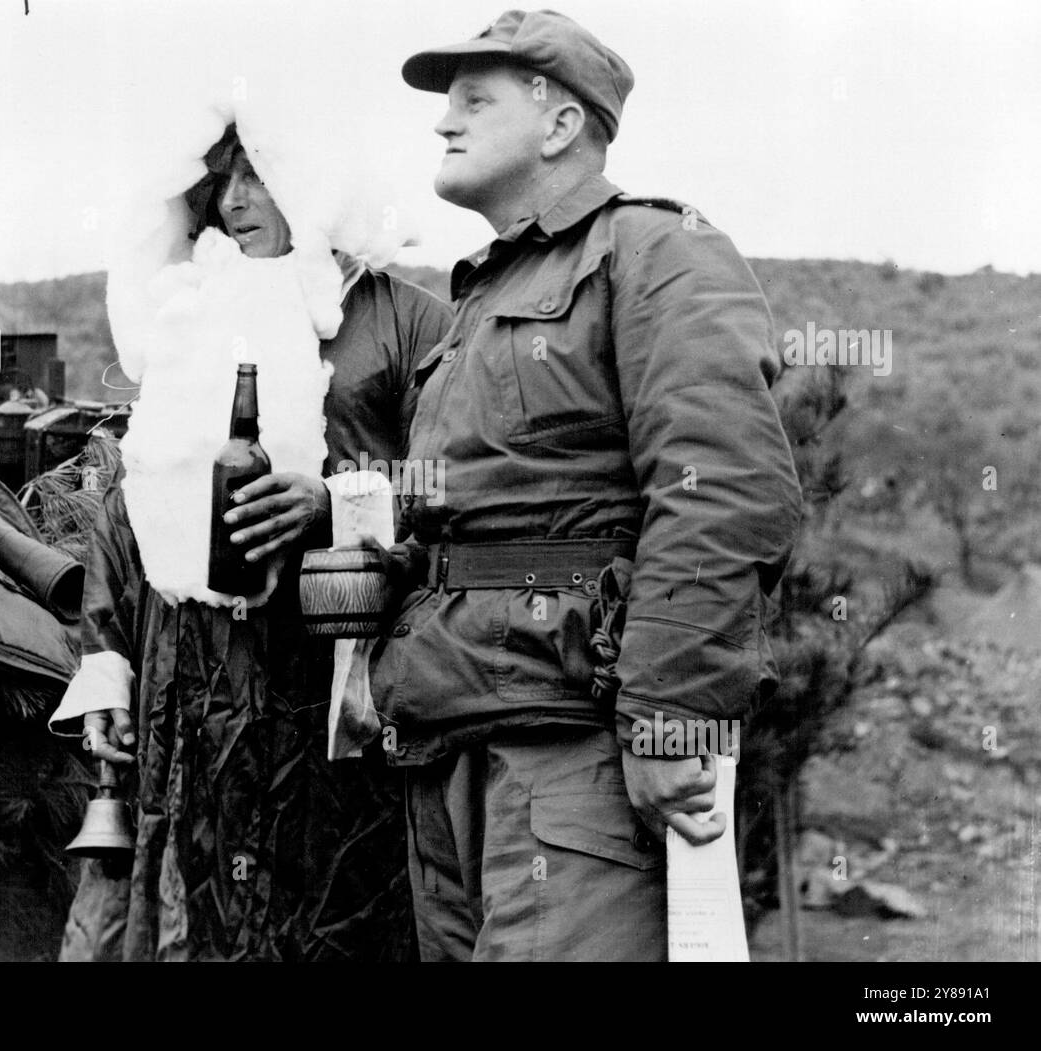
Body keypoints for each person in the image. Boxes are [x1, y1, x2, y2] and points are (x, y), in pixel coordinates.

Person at [367, 9, 803, 961]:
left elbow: (724, 489)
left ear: (561, 124)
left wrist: (671, 715)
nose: (444, 123)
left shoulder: (654, 252)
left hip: (577, 756)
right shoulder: (469, 308)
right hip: (448, 745)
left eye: (473, 100)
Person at [52, 124, 453, 961]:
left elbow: (453, 492)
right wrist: (107, 664)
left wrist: (333, 501)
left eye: (258, 176)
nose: (233, 202)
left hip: (329, 681)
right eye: (222, 180)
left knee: (329, 907)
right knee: (188, 913)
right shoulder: (195, 305)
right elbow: (133, 500)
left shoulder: (405, 323)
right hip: (188, 682)